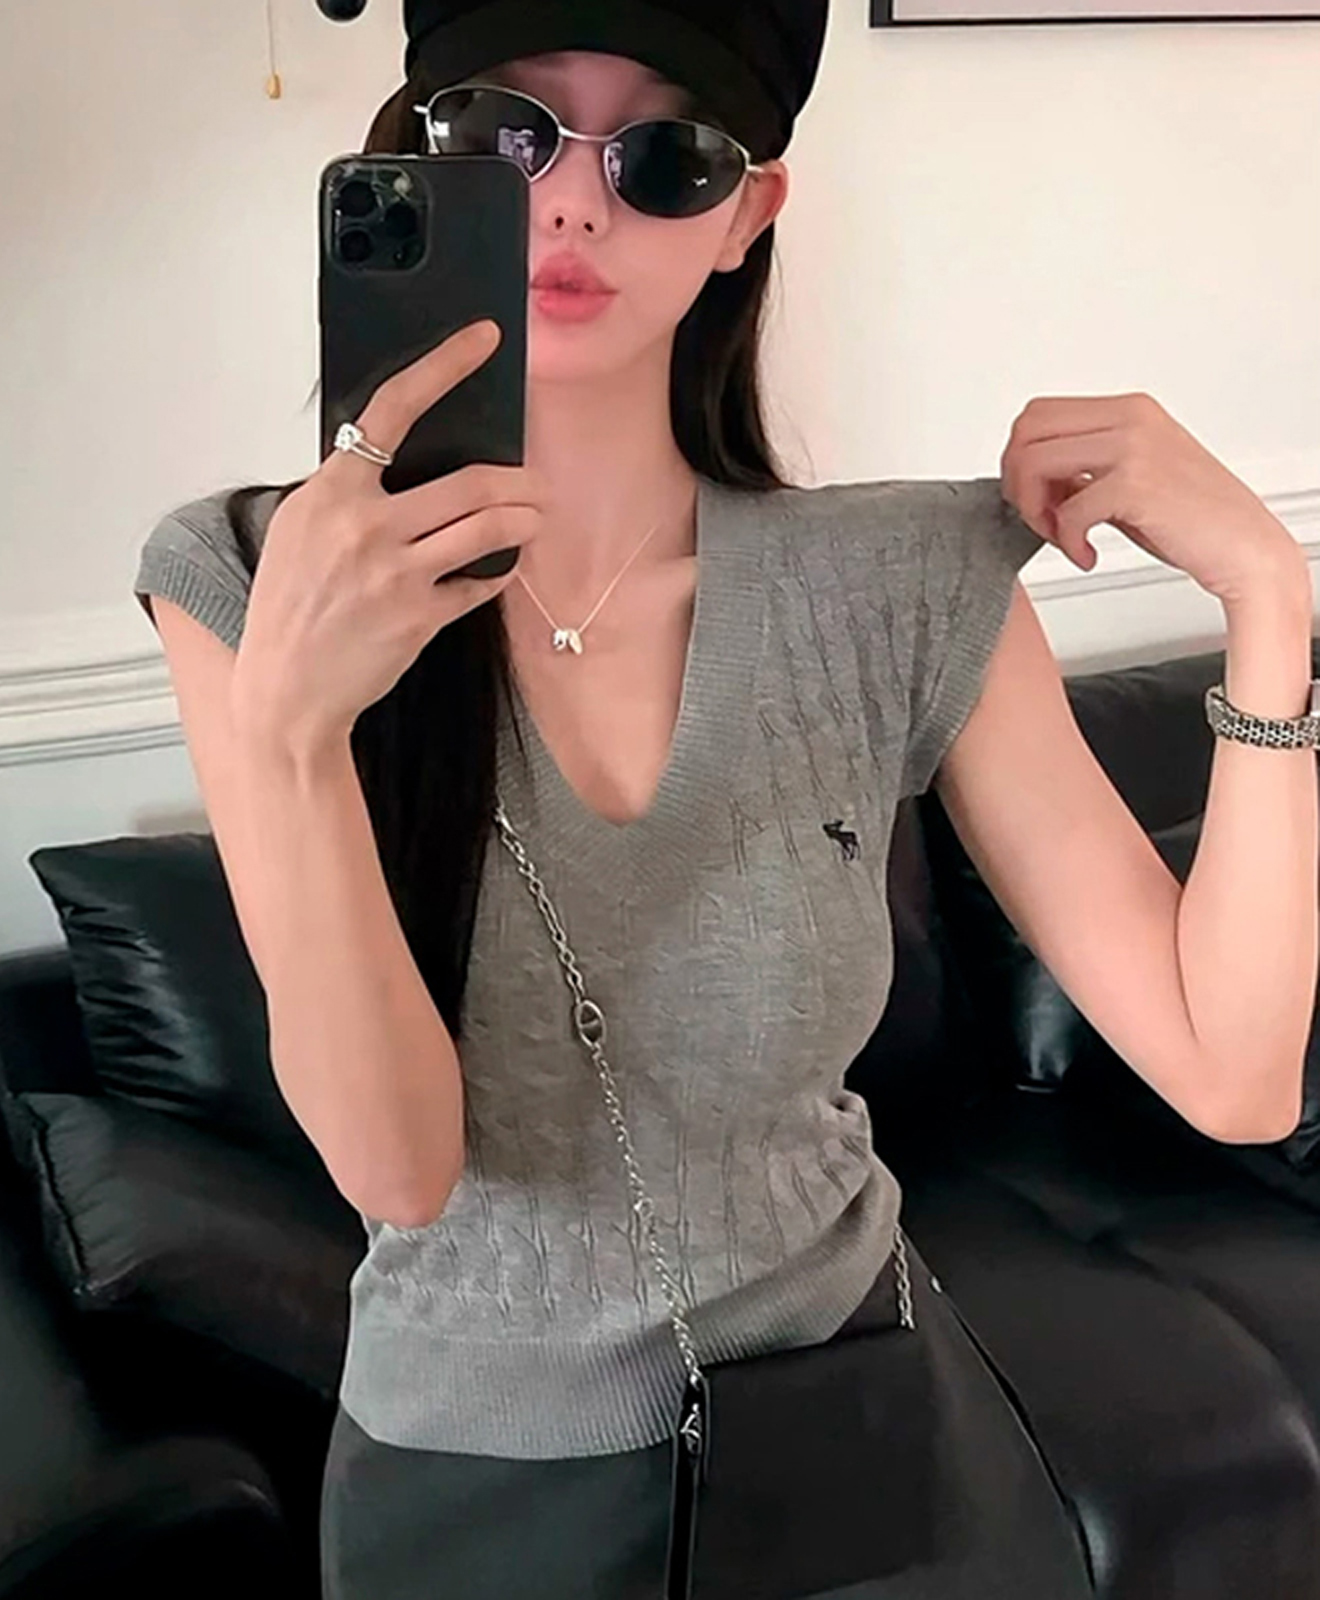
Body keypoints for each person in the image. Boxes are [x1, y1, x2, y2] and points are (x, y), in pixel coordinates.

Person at [132, 4, 1098, 1596]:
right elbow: (397, 1172)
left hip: (857, 1416)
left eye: (666, 155)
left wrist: (1267, 608)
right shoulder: (240, 576)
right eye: (506, 132)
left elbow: (1237, 1073)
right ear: (421, 155)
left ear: (747, 213)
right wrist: (298, 732)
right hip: (474, 1489)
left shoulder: (903, 578)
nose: (574, 199)